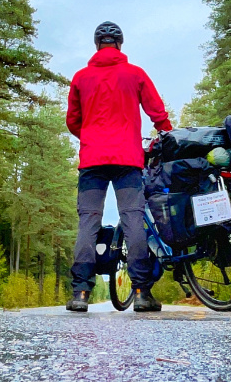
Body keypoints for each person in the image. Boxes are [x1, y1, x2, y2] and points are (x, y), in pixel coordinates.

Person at [65, 21, 172, 313]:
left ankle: (80, 294)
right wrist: (168, 132)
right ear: (120, 45)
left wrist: (89, 137)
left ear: (97, 45)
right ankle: (140, 293)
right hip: (127, 160)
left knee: (88, 221)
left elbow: (72, 120)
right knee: (133, 219)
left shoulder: (80, 78)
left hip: (92, 161)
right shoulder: (135, 74)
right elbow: (156, 110)